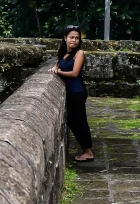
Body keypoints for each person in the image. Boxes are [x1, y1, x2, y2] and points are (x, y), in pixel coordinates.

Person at [48, 26, 94, 162]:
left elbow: (74, 73)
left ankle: (88, 152)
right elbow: (58, 65)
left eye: (77, 38)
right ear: (65, 38)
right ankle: (86, 149)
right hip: (70, 92)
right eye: (71, 37)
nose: (74, 40)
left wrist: (59, 72)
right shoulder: (64, 53)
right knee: (73, 122)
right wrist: (55, 68)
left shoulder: (79, 53)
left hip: (77, 92)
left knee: (80, 121)